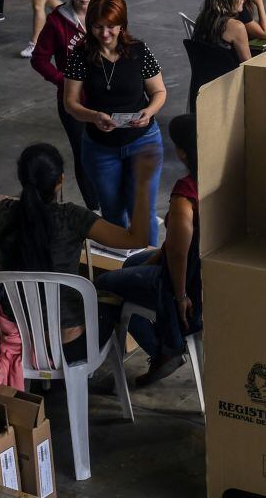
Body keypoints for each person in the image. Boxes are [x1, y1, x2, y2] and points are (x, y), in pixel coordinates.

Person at [0, 142, 158, 362]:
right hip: (71, 345)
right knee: (116, 300)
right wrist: (142, 184)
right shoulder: (72, 218)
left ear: (21, 178)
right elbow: (137, 239)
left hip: (19, 340)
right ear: (60, 181)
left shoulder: (1, 213)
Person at [95, 114, 201, 387]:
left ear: (181, 152)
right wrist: (153, 261)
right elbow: (172, 247)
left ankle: (165, 348)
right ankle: (165, 333)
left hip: (190, 280)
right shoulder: (220, 178)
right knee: (133, 266)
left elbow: (178, 254)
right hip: (209, 272)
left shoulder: (185, 195)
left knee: (104, 286)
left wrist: (180, 297)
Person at [62, 0, 167, 246]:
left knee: (142, 213)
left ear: (122, 25)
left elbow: (159, 92)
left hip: (143, 141)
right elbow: (70, 103)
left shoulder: (138, 51)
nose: (105, 33)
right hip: (101, 147)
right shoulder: (80, 56)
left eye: (111, 26)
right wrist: (92, 116)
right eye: (98, 27)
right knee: (112, 213)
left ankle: (148, 265)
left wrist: (149, 112)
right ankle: (120, 266)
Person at [27, 0, 106, 211]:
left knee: (110, 153)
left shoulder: (108, 16)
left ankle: (115, 206)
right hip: (74, 103)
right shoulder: (57, 21)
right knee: (84, 157)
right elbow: (39, 59)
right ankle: (95, 211)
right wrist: (64, 81)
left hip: (106, 97)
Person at [193, 0, 252, 65]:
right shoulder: (237, 27)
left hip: (203, 77)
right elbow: (248, 64)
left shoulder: (202, 19)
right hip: (228, 78)